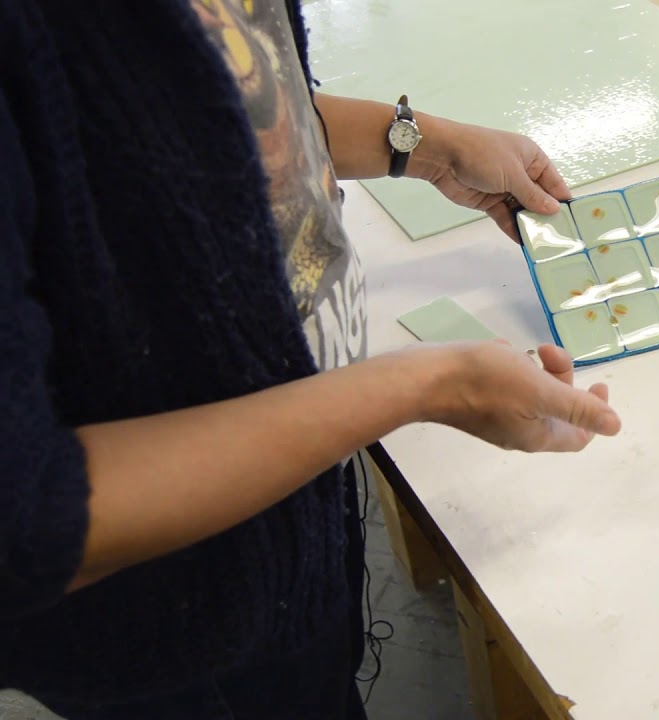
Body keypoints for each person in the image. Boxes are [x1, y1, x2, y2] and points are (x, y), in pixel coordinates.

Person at [0, 0, 621, 717]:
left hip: (294, 514)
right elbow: (25, 520)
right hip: (173, 620)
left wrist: (426, 146)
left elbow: (222, 102)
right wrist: (425, 387)